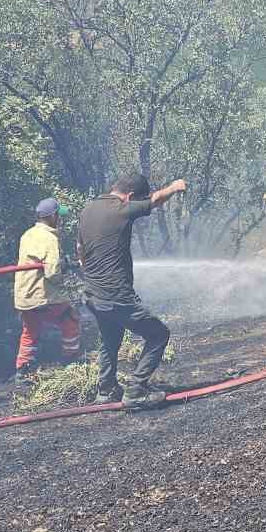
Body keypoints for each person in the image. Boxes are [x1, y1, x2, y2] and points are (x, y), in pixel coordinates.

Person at [77, 172, 187, 410]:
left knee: (110, 339)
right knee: (158, 334)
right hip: (115, 297)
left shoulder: (88, 210)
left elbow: (80, 250)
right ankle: (136, 391)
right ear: (130, 196)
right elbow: (155, 200)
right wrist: (175, 186)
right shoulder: (121, 209)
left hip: (93, 295)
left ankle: (106, 390)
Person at [11, 197, 82, 387]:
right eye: (59, 215)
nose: (60, 218)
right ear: (52, 216)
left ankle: (22, 373)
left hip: (25, 296)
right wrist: (65, 267)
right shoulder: (49, 238)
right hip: (42, 295)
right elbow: (52, 274)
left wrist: (63, 263)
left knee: (30, 330)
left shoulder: (28, 234)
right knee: (70, 317)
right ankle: (71, 361)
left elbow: (39, 264)